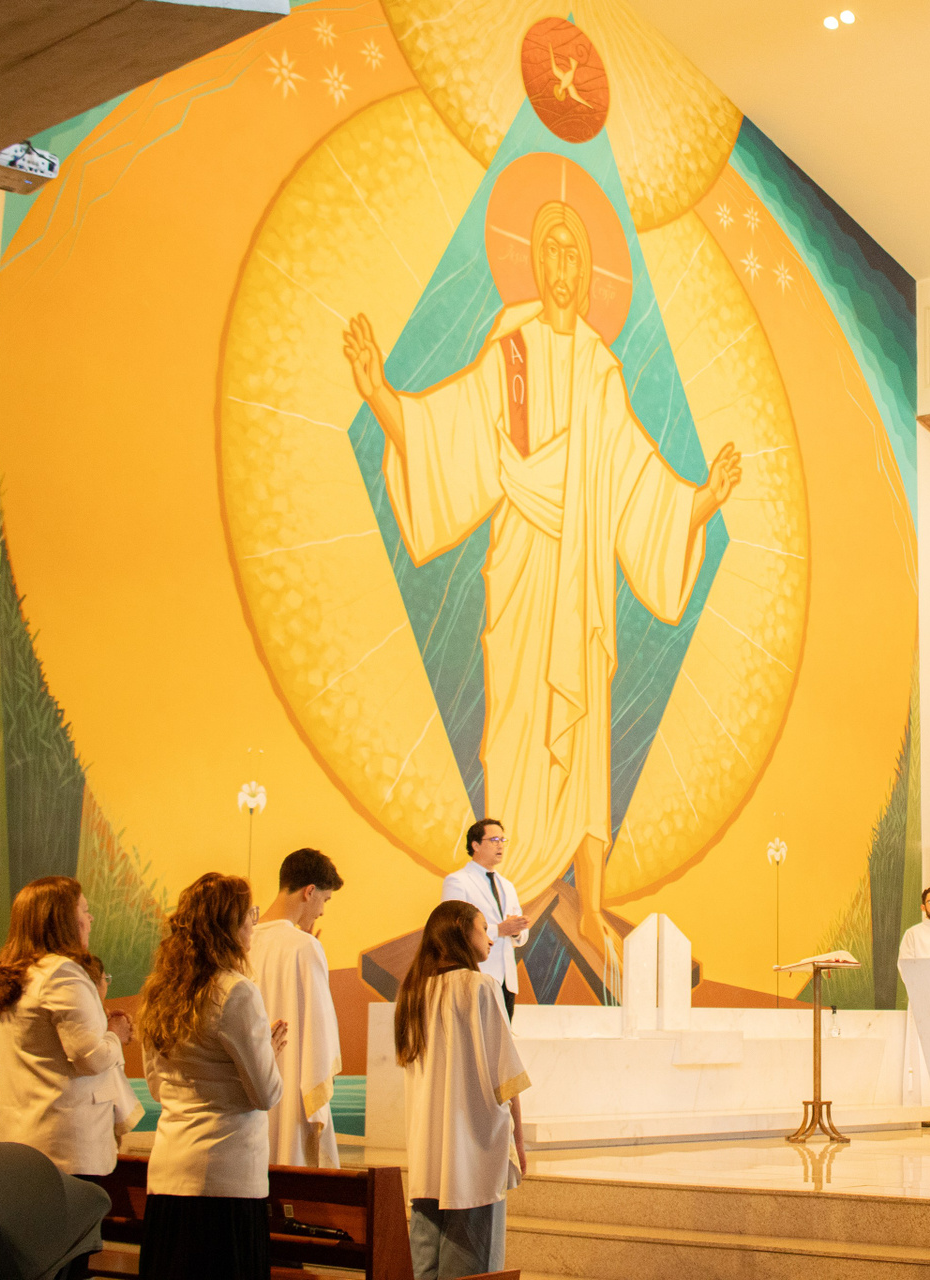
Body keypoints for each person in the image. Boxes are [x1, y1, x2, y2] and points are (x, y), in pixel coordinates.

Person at [344, 197, 744, 960]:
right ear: (533, 262)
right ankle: (512, 882)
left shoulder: (601, 370)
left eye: (574, 254)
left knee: (584, 732)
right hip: (524, 568)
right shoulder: (513, 354)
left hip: (582, 576)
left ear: (588, 274)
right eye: (551, 250)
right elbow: (449, 434)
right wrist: (380, 397)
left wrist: (701, 503)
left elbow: (635, 482)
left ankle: (590, 904)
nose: (563, 266)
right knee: (517, 727)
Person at [139, 873, 287, 1280]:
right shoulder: (235, 991)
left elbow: (157, 1087)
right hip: (225, 1178)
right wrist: (269, 1056)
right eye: (249, 914)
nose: (254, 922)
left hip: (170, 1173)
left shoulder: (160, 991)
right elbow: (265, 1094)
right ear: (229, 926)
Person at [396, 901, 529, 1280]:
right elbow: (506, 1078)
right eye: (483, 928)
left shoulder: (413, 993)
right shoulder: (479, 987)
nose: (490, 938)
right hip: (473, 1153)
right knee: (471, 1270)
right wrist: (519, 1142)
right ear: (460, 929)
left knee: (424, 1267)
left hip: (427, 1154)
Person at [0, 875, 138, 1176]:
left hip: (22, 1136)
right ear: (63, 920)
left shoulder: (17, 973)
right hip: (66, 1146)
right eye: (84, 910)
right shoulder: (62, 973)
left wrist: (100, 1025)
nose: (90, 919)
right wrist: (114, 1034)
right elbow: (91, 1059)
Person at [251, 848, 345, 1168]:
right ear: (309, 892)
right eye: (324, 900)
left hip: (246, 1093)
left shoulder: (241, 942)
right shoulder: (305, 946)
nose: (322, 912)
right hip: (290, 1089)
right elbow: (319, 1037)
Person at [442, 820, 528, 1018]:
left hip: (507, 981)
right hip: (475, 974)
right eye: (494, 840)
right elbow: (452, 927)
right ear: (476, 845)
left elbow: (520, 935)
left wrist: (516, 931)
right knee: (475, 1034)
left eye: (502, 840)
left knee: (502, 1037)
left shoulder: (507, 886)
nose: (500, 846)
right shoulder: (458, 881)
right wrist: (499, 930)